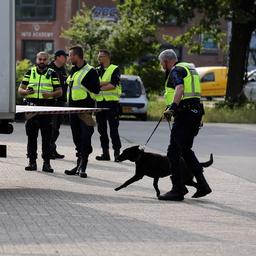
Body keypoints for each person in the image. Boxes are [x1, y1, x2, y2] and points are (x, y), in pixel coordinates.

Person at [157, 49, 212, 201]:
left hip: (185, 114)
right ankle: (202, 185)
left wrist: (172, 107)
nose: (162, 66)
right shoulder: (190, 68)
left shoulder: (175, 70)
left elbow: (179, 87)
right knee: (186, 150)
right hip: (195, 113)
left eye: (162, 63)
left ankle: (177, 189)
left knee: (173, 151)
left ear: (167, 61)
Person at [18, 51, 62, 173]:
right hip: (31, 109)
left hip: (46, 110)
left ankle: (46, 164)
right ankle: (32, 162)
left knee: (46, 139)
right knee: (31, 138)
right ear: (36, 60)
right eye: (40, 59)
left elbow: (59, 91)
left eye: (44, 59)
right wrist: (26, 92)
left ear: (47, 61)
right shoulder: (30, 72)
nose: (42, 61)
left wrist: (50, 94)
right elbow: (20, 89)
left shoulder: (52, 73)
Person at [64, 46, 100, 178]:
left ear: (76, 56)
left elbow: (96, 90)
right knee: (76, 139)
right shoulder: (73, 70)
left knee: (85, 138)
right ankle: (78, 164)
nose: (69, 58)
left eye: (70, 55)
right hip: (72, 110)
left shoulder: (91, 71)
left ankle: (83, 167)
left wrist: (85, 84)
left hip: (85, 111)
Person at [95, 49, 122, 162]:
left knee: (113, 130)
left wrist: (98, 88)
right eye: (98, 56)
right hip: (100, 103)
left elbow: (113, 85)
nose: (99, 58)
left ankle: (117, 153)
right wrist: (104, 83)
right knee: (101, 130)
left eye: (101, 56)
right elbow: (93, 83)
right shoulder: (96, 70)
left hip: (112, 103)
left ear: (107, 57)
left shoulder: (114, 69)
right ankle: (105, 153)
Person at [48, 50, 68, 159]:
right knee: (52, 128)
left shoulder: (63, 70)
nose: (66, 58)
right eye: (64, 56)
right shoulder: (49, 69)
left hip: (61, 102)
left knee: (57, 128)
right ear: (58, 57)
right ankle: (48, 150)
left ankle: (52, 148)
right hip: (52, 102)